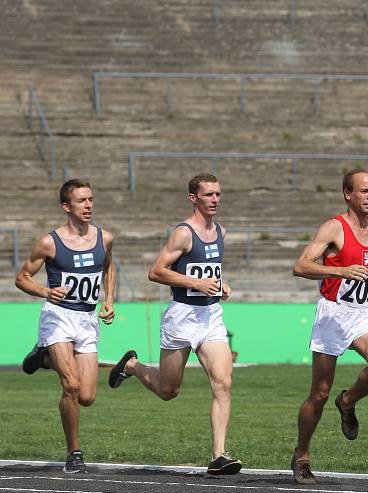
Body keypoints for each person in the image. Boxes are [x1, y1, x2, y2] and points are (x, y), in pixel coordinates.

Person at [108, 173, 241, 476]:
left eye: (218, 194)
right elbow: (156, 272)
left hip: (210, 316)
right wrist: (196, 282)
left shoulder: (221, 231)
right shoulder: (183, 233)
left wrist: (222, 285)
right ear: (194, 198)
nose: (215, 200)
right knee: (169, 390)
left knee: (223, 382)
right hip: (181, 316)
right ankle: (132, 366)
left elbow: (209, 271)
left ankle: (219, 455)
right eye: (208, 195)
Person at [290, 168, 368, 485]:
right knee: (318, 394)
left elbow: (367, 271)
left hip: (363, 313)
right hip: (333, 315)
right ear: (348, 194)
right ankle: (302, 455)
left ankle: (347, 401)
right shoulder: (334, 228)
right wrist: (340, 271)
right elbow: (300, 266)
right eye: (364, 191)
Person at [15, 178, 116, 473]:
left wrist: (108, 299)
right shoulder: (49, 242)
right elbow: (21, 278)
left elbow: (108, 266)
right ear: (66, 206)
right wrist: (46, 291)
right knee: (70, 386)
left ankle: (44, 357)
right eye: (82, 201)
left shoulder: (104, 238)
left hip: (87, 319)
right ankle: (74, 453)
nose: (88, 205)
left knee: (86, 396)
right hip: (58, 316)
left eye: (91, 200)